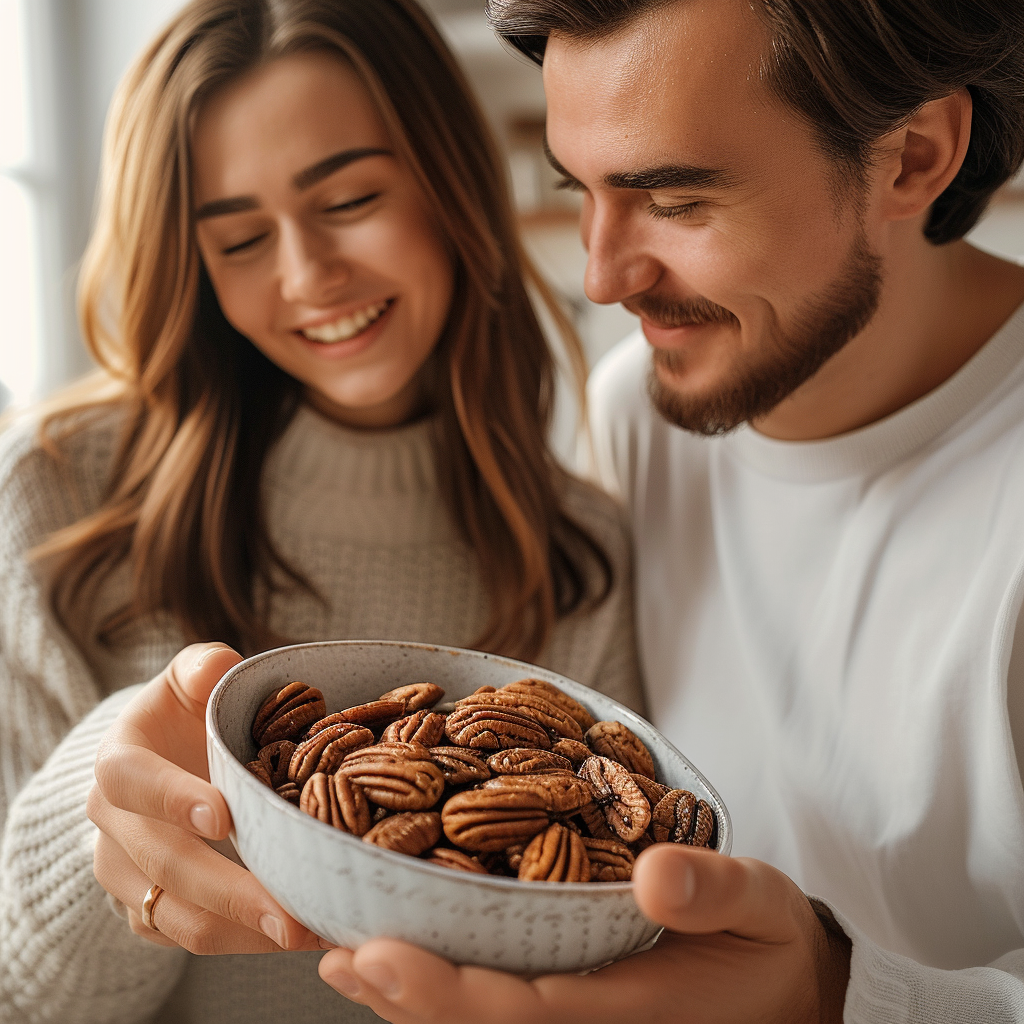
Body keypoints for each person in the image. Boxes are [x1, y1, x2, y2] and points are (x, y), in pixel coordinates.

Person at [314, 0, 1024, 1021]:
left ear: (911, 157)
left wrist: (833, 996)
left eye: (677, 202)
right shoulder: (637, 414)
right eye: (579, 189)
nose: (602, 276)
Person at [0, 1, 646, 1021]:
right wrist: (102, 805)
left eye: (347, 199)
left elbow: (588, 945)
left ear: (449, 180)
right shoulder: (52, 499)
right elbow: (27, 1001)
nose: (307, 277)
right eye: (241, 238)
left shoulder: (574, 551)